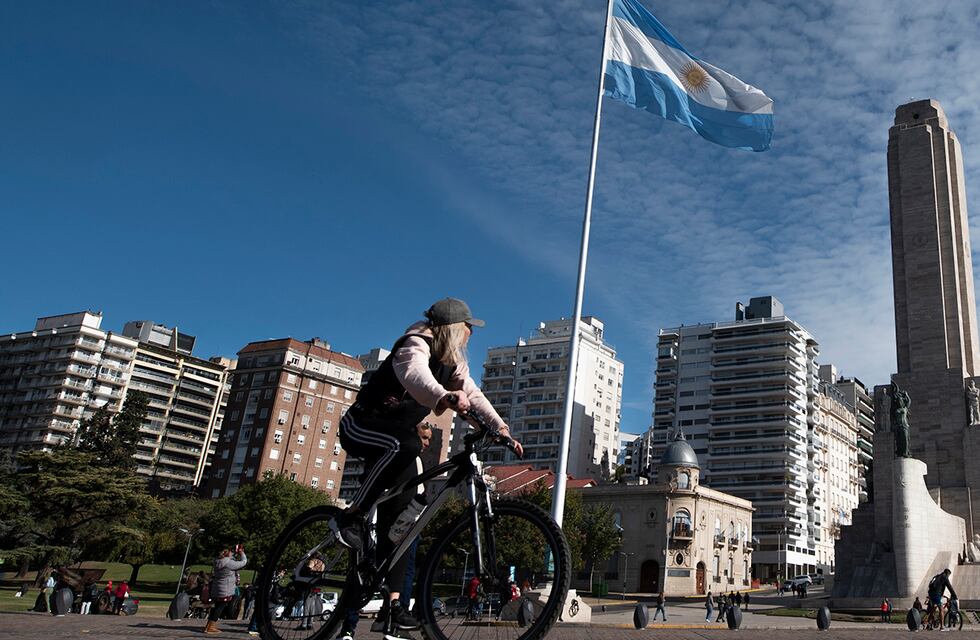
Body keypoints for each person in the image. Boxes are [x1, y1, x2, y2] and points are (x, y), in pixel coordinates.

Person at [330, 298, 521, 634]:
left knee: (402, 525)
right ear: (451, 328)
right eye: (467, 328)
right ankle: (352, 516)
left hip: (399, 445)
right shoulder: (416, 344)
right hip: (363, 426)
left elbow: (473, 395)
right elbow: (413, 374)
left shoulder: (453, 364)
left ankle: (393, 605)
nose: (469, 336)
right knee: (405, 444)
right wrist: (441, 397)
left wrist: (500, 428)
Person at [205, 545, 247, 634]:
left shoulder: (217, 561)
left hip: (217, 588)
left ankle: (208, 625)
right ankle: (210, 627)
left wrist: (235, 554)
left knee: (216, 607)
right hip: (225, 589)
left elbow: (231, 559)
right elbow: (243, 562)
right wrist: (242, 553)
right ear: (228, 554)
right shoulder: (228, 563)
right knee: (220, 608)